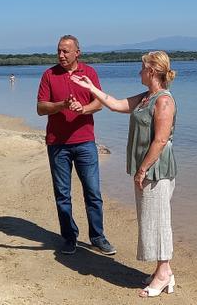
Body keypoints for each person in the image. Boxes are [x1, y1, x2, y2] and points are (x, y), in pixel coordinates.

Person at [71, 51, 178, 298]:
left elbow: (161, 140)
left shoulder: (164, 100)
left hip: (157, 170)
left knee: (158, 220)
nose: (138, 72)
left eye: (142, 68)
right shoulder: (146, 97)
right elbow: (117, 104)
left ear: (152, 71)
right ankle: (164, 272)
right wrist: (90, 87)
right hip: (148, 169)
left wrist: (142, 169)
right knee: (150, 219)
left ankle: (162, 275)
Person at [36, 35, 115, 256]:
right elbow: (41, 108)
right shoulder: (49, 75)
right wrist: (62, 105)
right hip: (57, 143)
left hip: (85, 142)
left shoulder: (89, 73)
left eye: (66, 51)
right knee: (63, 194)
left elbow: (100, 102)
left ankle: (98, 237)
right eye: (59, 51)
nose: (61, 55)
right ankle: (69, 238)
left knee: (93, 192)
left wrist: (84, 109)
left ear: (77, 52)